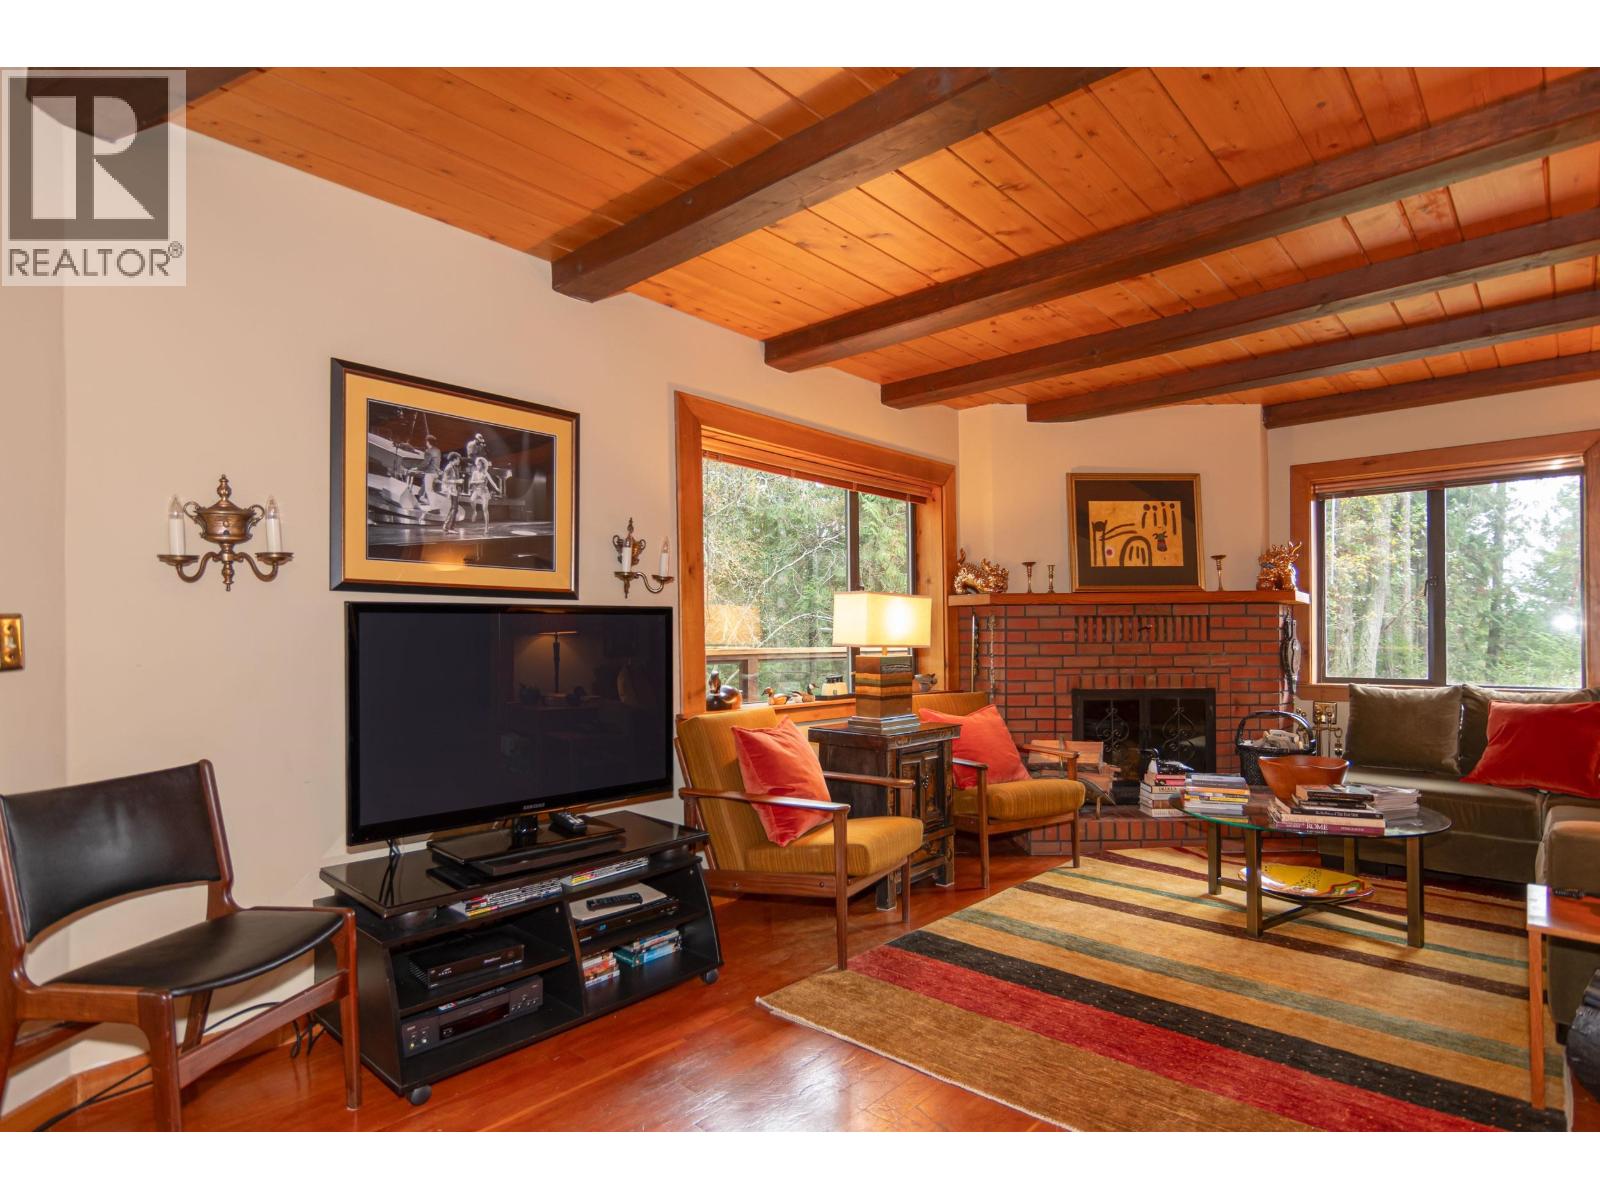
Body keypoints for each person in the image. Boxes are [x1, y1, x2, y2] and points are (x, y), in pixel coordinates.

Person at [439, 452, 465, 536]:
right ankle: (449, 527)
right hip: (451, 490)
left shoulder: (454, 467)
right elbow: (445, 480)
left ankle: (447, 527)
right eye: (458, 459)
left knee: (454, 508)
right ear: (454, 459)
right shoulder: (449, 467)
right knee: (454, 508)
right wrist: (457, 481)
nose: (459, 461)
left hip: (454, 490)